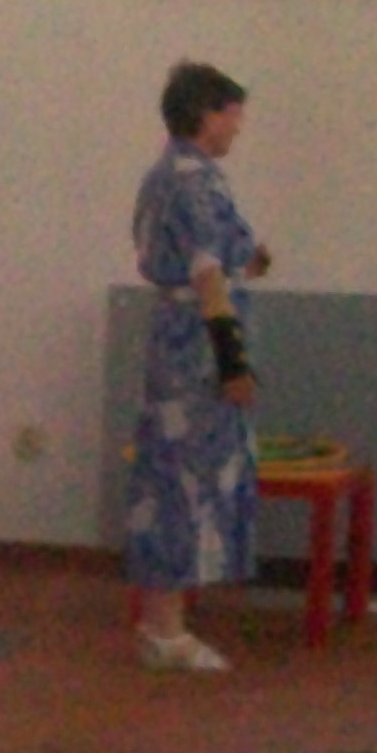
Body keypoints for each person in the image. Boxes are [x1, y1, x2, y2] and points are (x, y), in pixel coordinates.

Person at [124, 60, 271, 673]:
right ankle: (165, 629)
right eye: (233, 115)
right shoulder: (195, 183)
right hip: (197, 359)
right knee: (182, 483)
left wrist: (250, 261)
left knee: (170, 477)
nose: (238, 126)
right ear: (207, 114)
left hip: (177, 347)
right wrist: (233, 363)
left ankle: (163, 622)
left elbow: (207, 258)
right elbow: (207, 277)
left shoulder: (167, 175)